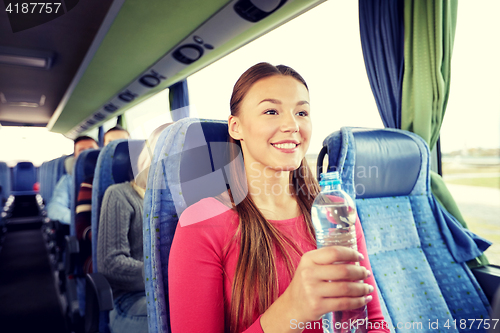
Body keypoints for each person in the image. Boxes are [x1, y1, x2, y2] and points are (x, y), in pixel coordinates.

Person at [168, 63, 390, 332]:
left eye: (302, 112)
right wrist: (292, 308)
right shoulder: (201, 224)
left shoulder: (335, 210)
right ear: (236, 127)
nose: (292, 124)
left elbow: (373, 321)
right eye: (271, 111)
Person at [97, 123, 170, 333]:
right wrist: (169, 276)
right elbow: (112, 264)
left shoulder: (192, 201)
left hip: (178, 293)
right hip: (134, 299)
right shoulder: (120, 194)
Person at [75, 125, 130, 274]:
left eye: (122, 142)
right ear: (103, 149)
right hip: (100, 252)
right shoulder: (90, 182)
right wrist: (109, 240)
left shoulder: (142, 180)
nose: (117, 147)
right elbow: (81, 227)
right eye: (110, 143)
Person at [47, 136, 98, 225]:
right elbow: (55, 208)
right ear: (75, 156)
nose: (87, 153)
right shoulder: (67, 180)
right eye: (82, 151)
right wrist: (81, 220)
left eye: (91, 149)